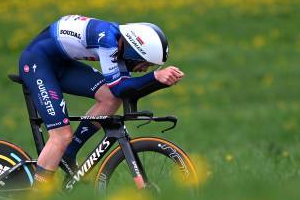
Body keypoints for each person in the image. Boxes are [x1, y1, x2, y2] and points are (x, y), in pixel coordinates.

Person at [18, 15, 184, 186]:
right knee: (61, 136)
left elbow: (124, 92)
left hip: (61, 63)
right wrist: (155, 77)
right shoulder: (108, 40)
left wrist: (159, 81)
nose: (144, 69)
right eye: (146, 63)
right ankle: (37, 197)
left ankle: (69, 153)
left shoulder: (120, 43)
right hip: (37, 62)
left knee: (111, 99)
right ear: (135, 51)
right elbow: (121, 87)